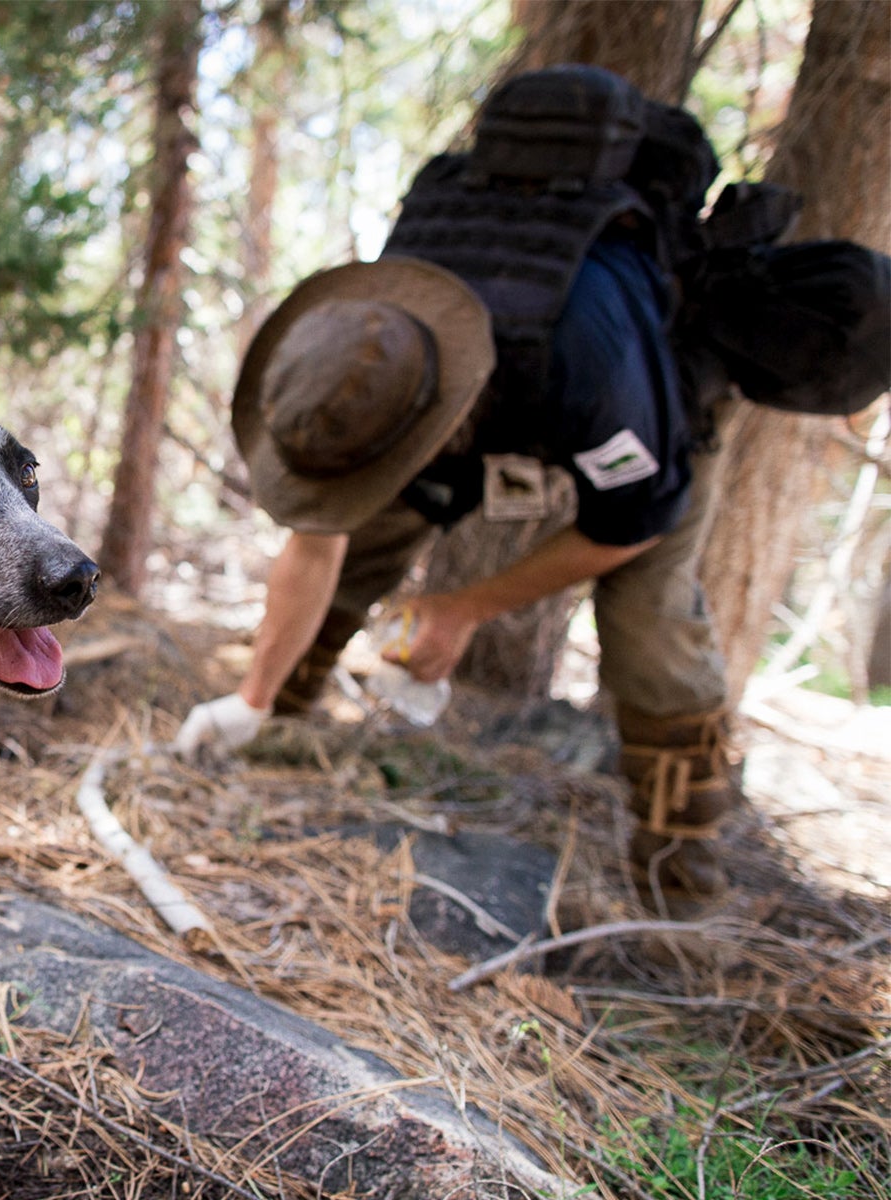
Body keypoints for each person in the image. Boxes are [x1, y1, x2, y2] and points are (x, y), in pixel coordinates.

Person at [177, 66, 740, 914]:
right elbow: (319, 537)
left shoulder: (592, 358)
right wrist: (250, 697)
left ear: (443, 416)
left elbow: (630, 522)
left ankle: (680, 887)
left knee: (649, 627)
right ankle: (277, 733)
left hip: (646, 422)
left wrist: (462, 608)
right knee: (362, 535)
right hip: (483, 391)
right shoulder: (376, 344)